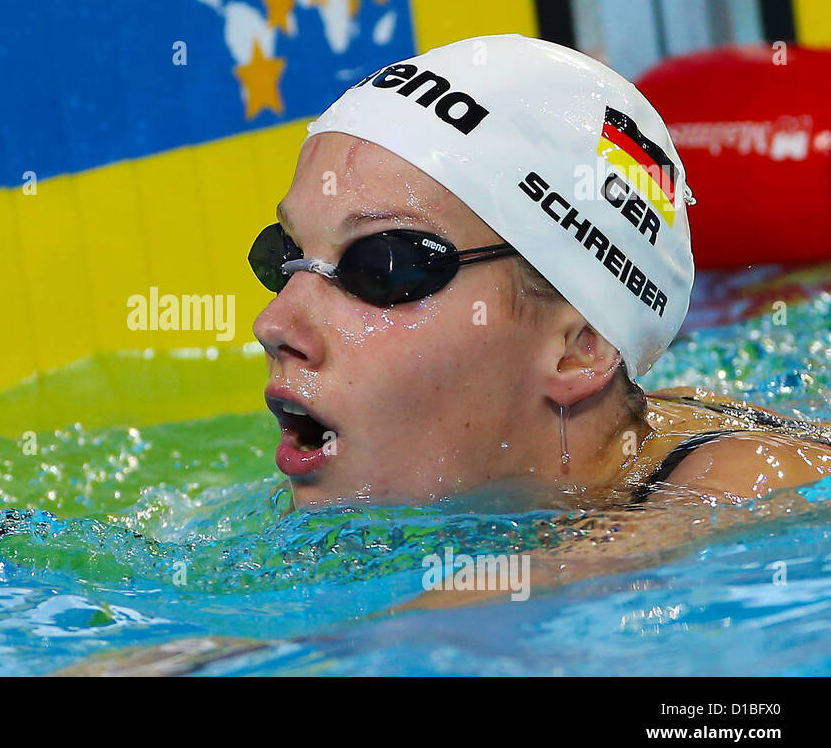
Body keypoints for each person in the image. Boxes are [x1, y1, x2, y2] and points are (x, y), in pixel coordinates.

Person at [249, 34, 831, 511]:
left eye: (383, 267)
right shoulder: (416, 471)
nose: (273, 323)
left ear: (580, 349)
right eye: (285, 253)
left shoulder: (747, 495)